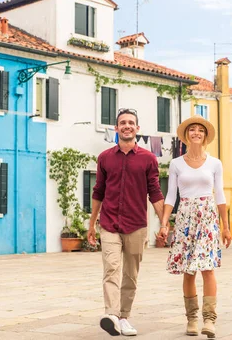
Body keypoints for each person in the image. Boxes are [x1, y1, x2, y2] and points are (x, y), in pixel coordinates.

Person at [88, 108, 166, 337]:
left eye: (131, 122)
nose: (127, 126)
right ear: (116, 128)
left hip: (137, 225)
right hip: (109, 223)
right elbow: (98, 191)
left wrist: (164, 224)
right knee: (111, 268)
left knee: (131, 275)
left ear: (137, 128)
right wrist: (92, 223)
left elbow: (155, 192)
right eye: (122, 122)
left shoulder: (148, 159)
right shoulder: (104, 158)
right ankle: (111, 314)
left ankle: (124, 318)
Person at [158, 115, 232, 338]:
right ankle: (192, 319)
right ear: (186, 136)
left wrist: (225, 227)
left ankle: (209, 320)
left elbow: (219, 195)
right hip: (185, 218)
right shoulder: (176, 164)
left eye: (200, 130)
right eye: (192, 130)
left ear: (205, 136)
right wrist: (164, 223)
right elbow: (171, 195)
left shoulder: (215, 163)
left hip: (208, 217)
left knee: (207, 268)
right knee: (188, 271)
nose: (196, 133)